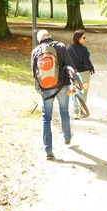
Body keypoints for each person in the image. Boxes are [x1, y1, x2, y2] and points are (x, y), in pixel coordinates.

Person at [31, 29, 75, 160]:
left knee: (46, 118)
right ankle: (67, 137)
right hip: (62, 86)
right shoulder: (60, 46)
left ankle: (48, 151)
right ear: (50, 36)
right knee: (64, 112)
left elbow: (34, 74)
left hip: (46, 89)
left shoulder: (35, 51)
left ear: (39, 40)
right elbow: (70, 65)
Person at [66, 30, 95, 118]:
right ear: (78, 38)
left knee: (75, 91)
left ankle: (75, 112)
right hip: (84, 73)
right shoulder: (84, 49)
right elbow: (87, 62)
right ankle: (82, 111)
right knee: (84, 92)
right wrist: (91, 68)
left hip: (74, 73)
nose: (85, 39)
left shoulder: (69, 48)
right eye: (84, 38)